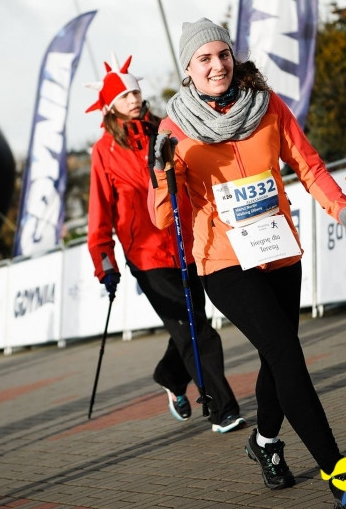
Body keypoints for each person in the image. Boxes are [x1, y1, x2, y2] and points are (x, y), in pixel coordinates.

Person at [148, 19, 346, 509]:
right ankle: (340, 474)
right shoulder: (174, 130)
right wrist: (161, 172)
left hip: (277, 250)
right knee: (287, 356)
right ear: (188, 70)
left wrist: (341, 208)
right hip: (224, 262)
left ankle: (265, 444)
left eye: (223, 55)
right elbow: (164, 215)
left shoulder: (267, 105)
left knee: (279, 357)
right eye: (204, 59)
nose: (217, 65)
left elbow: (308, 165)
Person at [85, 55, 244, 433]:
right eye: (125, 96)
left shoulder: (165, 130)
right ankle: (222, 408)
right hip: (147, 257)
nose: (134, 99)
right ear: (110, 106)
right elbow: (99, 214)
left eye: (136, 92)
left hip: (188, 242)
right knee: (197, 330)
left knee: (192, 323)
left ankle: (171, 378)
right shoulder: (103, 153)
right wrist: (104, 262)